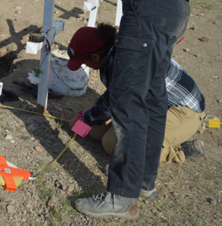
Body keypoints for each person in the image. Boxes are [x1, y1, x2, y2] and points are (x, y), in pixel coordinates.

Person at [77, 0, 192, 220]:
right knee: (153, 96)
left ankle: (120, 194)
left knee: (128, 99)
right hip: (172, 5)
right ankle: (144, 181)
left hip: (151, 6)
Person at [67, 25, 206, 168]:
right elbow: (113, 95)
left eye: (84, 62)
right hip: (152, 105)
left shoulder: (124, 66)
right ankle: (155, 140)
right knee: (95, 131)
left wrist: (82, 119)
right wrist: (93, 109)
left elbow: (113, 99)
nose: (85, 65)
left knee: (112, 144)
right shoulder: (116, 51)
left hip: (182, 111)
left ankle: (180, 150)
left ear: (95, 57)